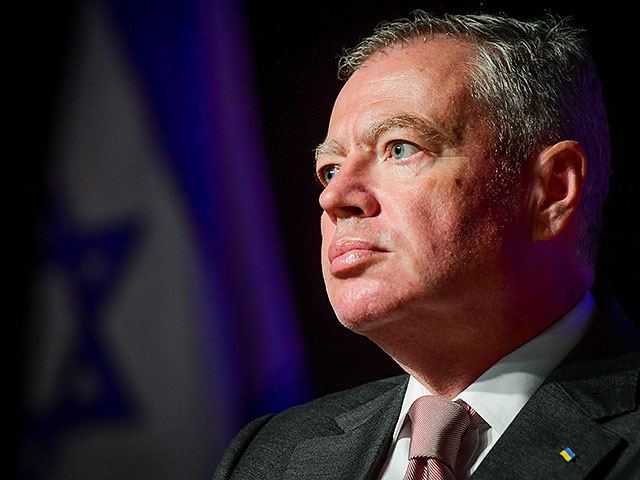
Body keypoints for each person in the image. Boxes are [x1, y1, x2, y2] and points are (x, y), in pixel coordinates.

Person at [213, 9, 639, 479]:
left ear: (551, 190)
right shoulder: (269, 456)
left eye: (400, 148)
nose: (333, 198)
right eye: (329, 170)